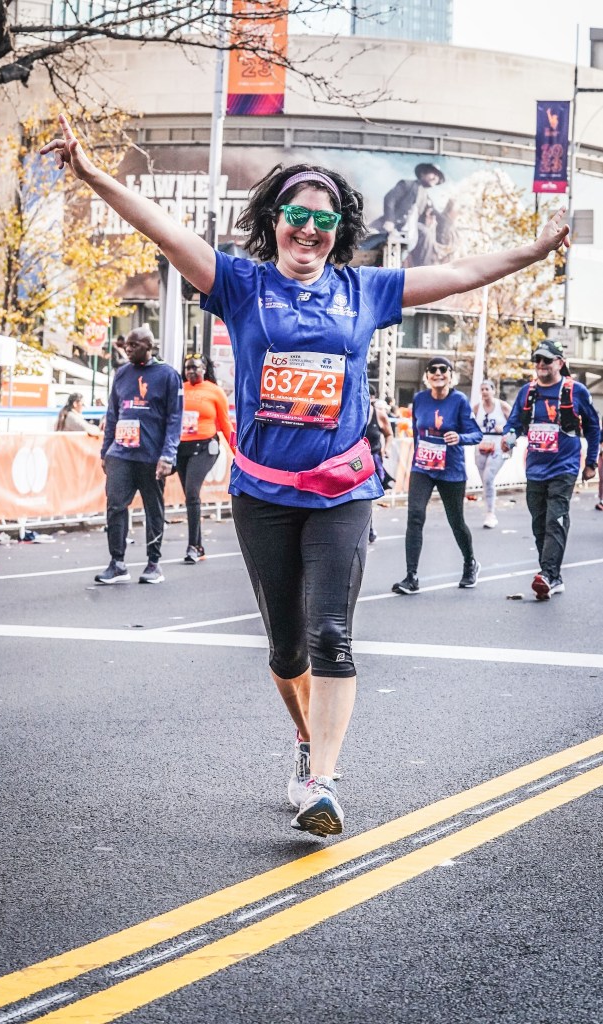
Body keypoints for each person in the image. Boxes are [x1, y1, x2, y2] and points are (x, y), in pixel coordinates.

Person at [42, 113, 571, 838]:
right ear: (275, 221)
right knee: (287, 648)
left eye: (324, 220)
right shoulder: (238, 283)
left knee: (331, 634)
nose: (309, 229)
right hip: (262, 492)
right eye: (297, 215)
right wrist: (93, 174)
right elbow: (162, 230)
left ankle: (321, 781)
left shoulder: (364, 291)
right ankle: (305, 737)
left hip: (342, 489)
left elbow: (461, 273)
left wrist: (535, 249)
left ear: (338, 230)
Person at [501, 338, 600, 600]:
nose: (541, 364)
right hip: (535, 469)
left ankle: (546, 574)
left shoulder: (575, 390)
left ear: (560, 362)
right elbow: (513, 423)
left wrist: (591, 462)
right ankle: (552, 576)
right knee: (539, 524)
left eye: (546, 359)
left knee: (556, 518)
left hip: (564, 467)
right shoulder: (527, 392)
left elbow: (593, 427)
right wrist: (508, 437)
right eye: (537, 360)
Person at [94, 326, 182, 585]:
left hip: (152, 456)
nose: (128, 349)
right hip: (121, 453)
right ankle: (117, 563)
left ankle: (153, 563)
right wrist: (105, 451)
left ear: (149, 346)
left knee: (153, 508)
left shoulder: (168, 375)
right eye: (126, 345)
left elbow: (175, 418)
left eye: (134, 345)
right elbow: (112, 414)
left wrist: (168, 455)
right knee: (115, 506)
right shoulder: (122, 374)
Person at [392, 357, 482, 595]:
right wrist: (417, 459)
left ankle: (470, 562)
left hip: (451, 470)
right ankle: (411, 577)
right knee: (415, 516)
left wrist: (459, 437)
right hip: (423, 468)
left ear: (451, 376)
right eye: (433, 369)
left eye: (444, 369)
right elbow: (417, 432)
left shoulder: (459, 401)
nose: (438, 373)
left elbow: (476, 434)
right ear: (427, 376)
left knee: (456, 521)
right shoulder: (420, 399)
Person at [178, 354, 234, 564]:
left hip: (205, 448)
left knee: (192, 492)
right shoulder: (180, 389)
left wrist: (238, 454)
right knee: (189, 496)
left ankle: (194, 546)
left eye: (195, 367)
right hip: (181, 448)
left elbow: (226, 425)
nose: (191, 371)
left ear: (204, 369)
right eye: (188, 368)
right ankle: (198, 546)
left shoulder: (214, 391)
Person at [472, 380, 511, 528]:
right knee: (485, 480)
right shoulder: (477, 408)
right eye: (482, 389)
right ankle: (488, 508)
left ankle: (490, 514)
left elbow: (516, 424)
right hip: (481, 444)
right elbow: (469, 425)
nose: (484, 392)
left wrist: (505, 431)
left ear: (493, 391)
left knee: (488, 477)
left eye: (487, 389)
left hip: (498, 444)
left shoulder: (502, 406)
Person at [365, 385, 394, 543]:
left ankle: (369, 529)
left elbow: (389, 434)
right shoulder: (352, 412)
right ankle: (367, 529)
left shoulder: (379, 414)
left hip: (373, 461)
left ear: (372, 398)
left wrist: (386, 449)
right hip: (354, 462)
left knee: (366, 496)